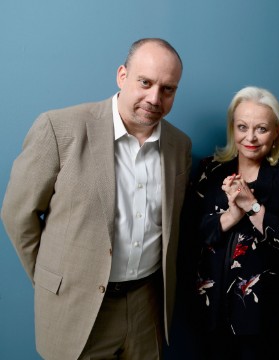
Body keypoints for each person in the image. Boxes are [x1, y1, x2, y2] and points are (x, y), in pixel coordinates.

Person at [1, 38, 191, 359]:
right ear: (122, 75)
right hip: (78, 307)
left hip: (147, 305)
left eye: (168, 89)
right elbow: (18, 216)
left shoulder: (179, 146)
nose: (154, 97)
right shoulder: (60, 129)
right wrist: (54, 282)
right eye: (145, 82)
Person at [187, 86, 279, 359]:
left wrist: (251, 205)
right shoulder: (212, 169)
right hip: (210, 306)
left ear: (276, 131)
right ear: (233, 128)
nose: (250, 137)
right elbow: (190, 232)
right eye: (242, 127)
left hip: (263, 312)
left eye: (261, 129)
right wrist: (231, 215)